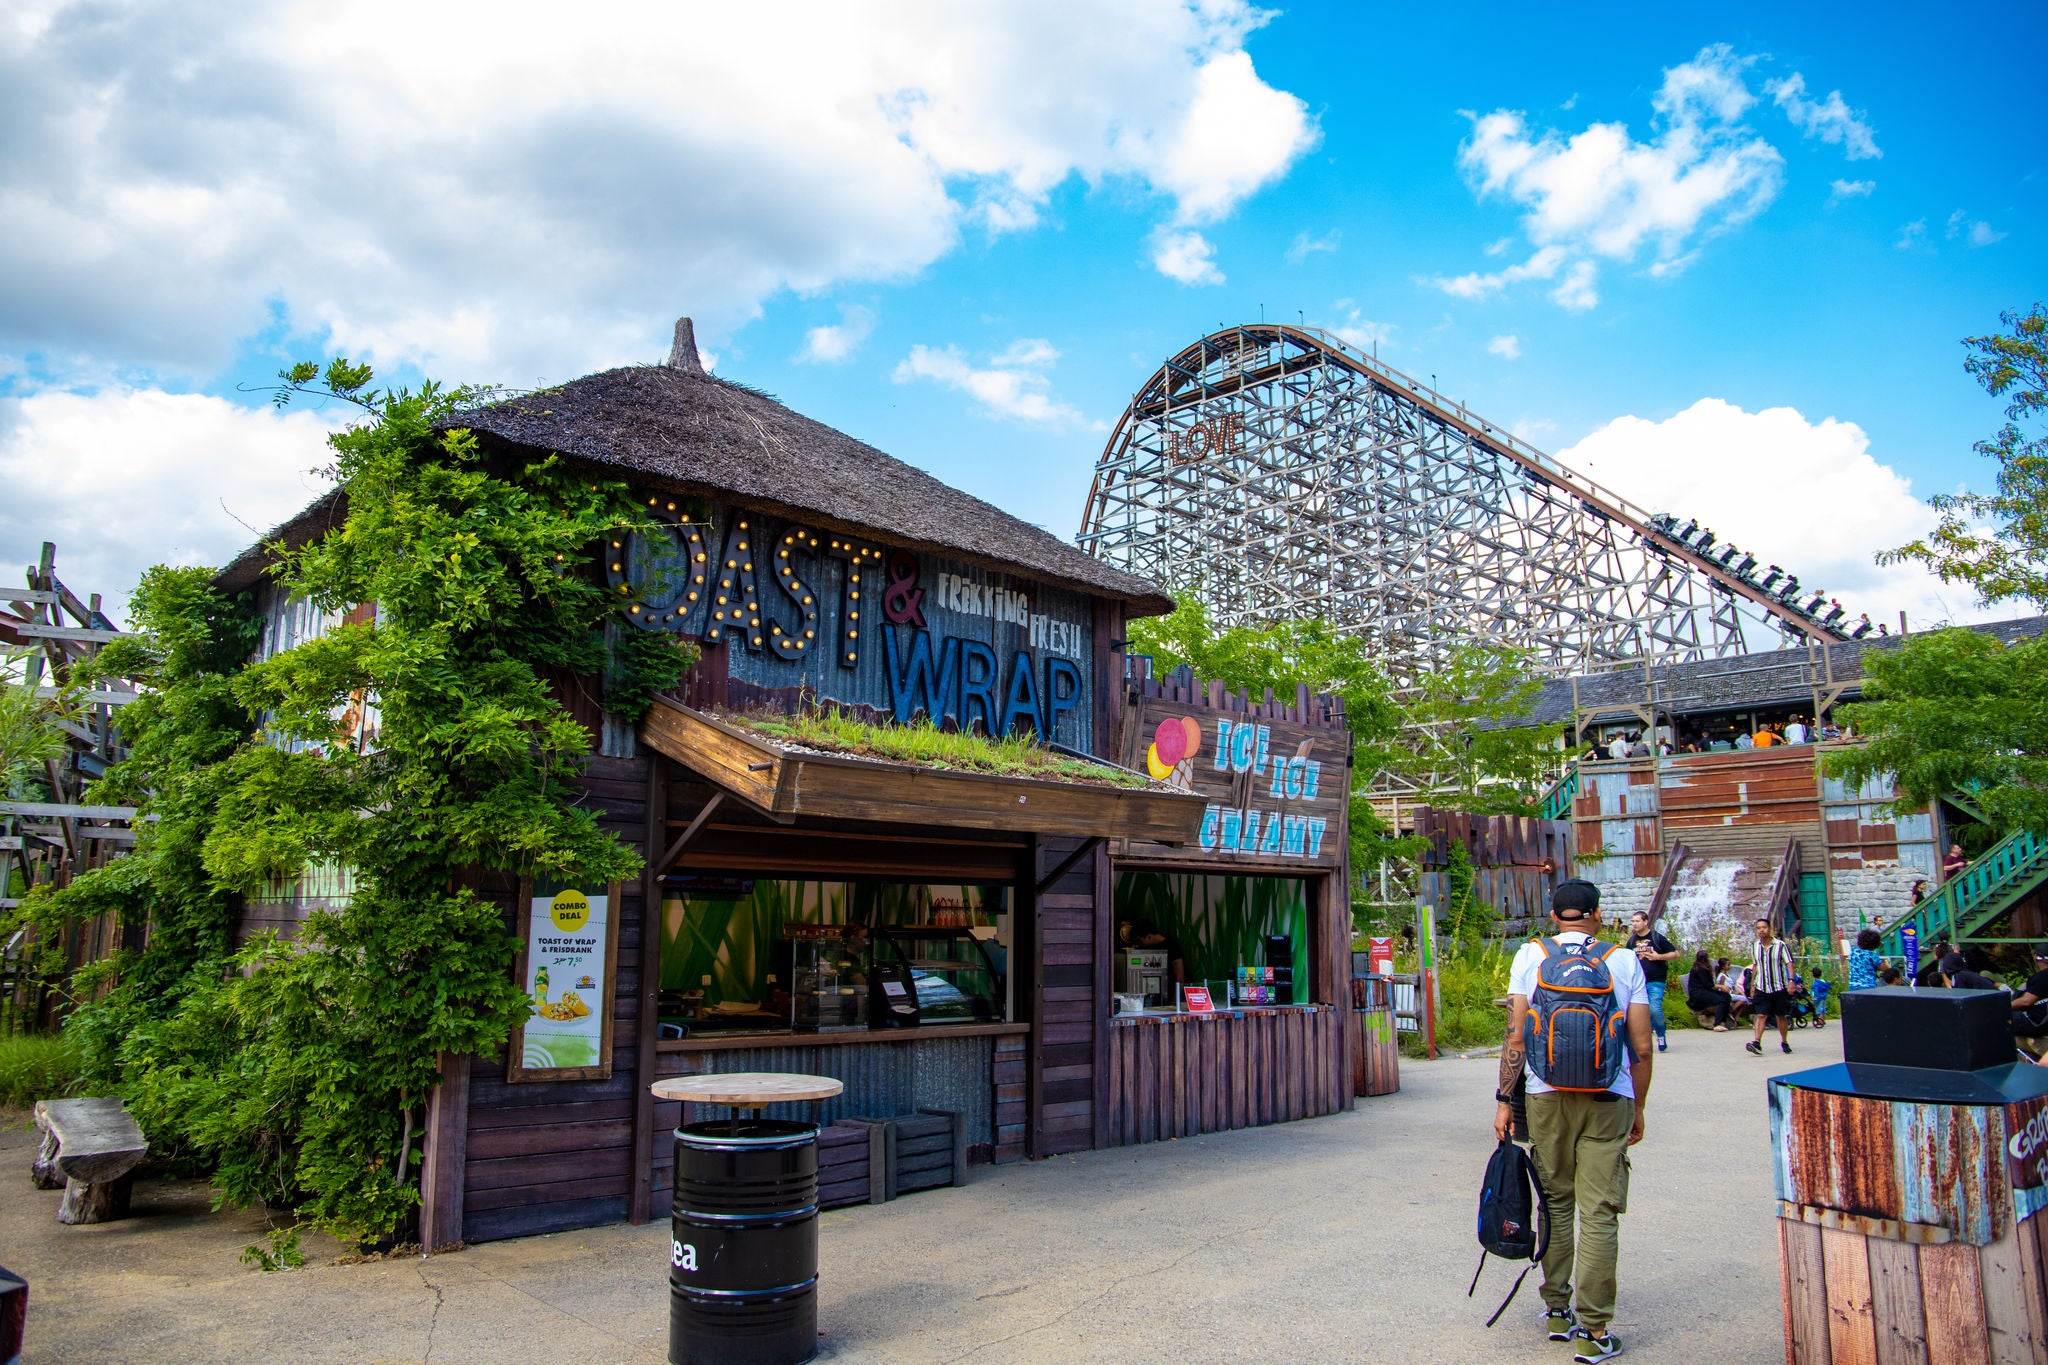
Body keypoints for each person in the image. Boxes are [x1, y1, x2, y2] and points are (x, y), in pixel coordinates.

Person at [1494, 879, 1652, 1362]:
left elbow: (1516, 1036)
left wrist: (1504, 1100)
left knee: (1557, 1202)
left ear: (1555, 914)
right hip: (1609, 1098)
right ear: (1597, 914)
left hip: (1545, 1095)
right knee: (1599, 1211)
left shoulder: (1531, 956)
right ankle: (1595, 1331)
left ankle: (1558, 1312)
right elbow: (1642, 1046)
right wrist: (1639, 1107)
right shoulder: (1622, 960)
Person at [1625, 910, 1681, 1052]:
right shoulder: (1631, 941)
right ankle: (1638, 1040)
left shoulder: (1657, 938)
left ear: (1645, 922)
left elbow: (1676, 954)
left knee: (1654, 1009)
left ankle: (1661, 1035)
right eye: (1633, 921)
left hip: (1656, 981)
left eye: (1637, 921)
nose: (1634, 924)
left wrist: (1658, 957)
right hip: (1637, 983)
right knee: (1636, 1012)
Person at [1745, 918, 1796, 1056]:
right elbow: (1755, 965)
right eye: (1758, 928)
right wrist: (1752, 985)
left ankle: (1784, 1041)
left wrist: (1791, 981)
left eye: (1764, 927)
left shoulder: (1780, 945)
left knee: (1780, 1016)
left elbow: (1789, 963)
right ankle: (1756, 1042)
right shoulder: (1754, 946)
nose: (1761, 930)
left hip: (1779, 986)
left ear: (1770, 929)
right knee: (1761, 1014)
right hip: (1762, 986)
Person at [2008, 946, 2048, 1044]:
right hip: (2043, 1023)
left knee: (1996, 1020)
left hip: (2036, 1023)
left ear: (2037, 957)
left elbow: (2026, 1001)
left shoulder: (2043, 976)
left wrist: (2003, 1007)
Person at [1685, 950, 1732, 1030]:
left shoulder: (1703, 968)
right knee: (1720, 1000)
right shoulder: (1700, 969)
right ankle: (1717, 1024)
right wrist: (1721, 986)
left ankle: (1723, 1021)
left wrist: (1720, 988)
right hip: (1698, 994)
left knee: (1726, 996)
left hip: (1704, 991)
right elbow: (1708, 985)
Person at [1716, 956, 1751, 1020]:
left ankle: (1736, 1017)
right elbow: (1721, 987)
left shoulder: (1727, 975)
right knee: (1744, 999)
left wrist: (1735, 992)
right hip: (1726, 995)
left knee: (1744, 1001)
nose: (1730, 966)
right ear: (1723, 967)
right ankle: (1731, 1011)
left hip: (1730, 993)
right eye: (1728, 965)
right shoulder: (1722, 976)